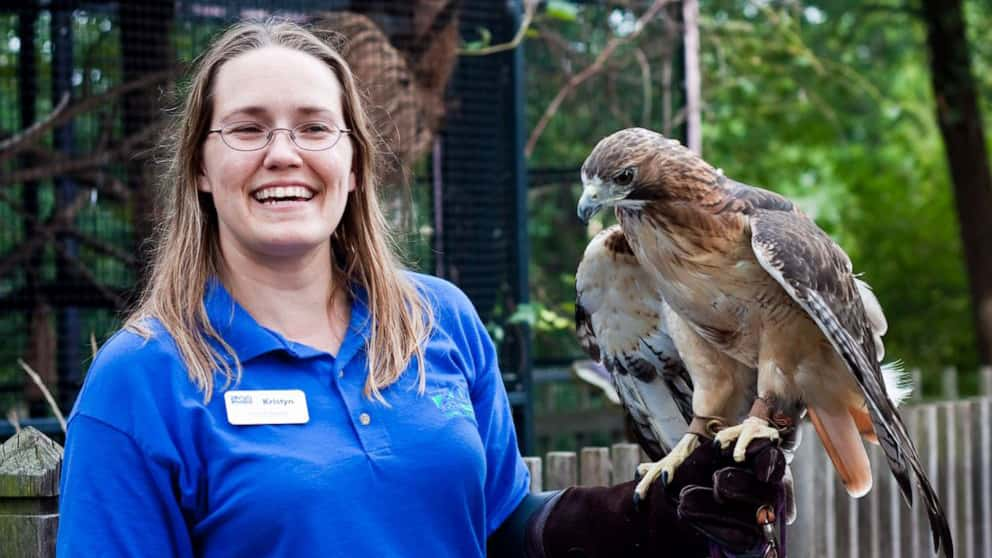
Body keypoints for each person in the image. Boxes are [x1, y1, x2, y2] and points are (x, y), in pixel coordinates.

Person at [56, 19, 786, 558]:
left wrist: (644, 520)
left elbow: (499, 529)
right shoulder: (142, 378)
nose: (283, 154)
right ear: (198, 169)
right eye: (247, 129)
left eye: (315, 128)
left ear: (353, 161)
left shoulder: (439, 321)